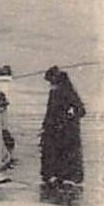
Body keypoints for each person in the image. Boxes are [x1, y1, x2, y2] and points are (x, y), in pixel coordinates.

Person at [40, 66, 86, 196]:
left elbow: (80, 110)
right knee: (57, 152)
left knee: (61, 152)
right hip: (58, 129)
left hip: (65, 130)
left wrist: (69, 116)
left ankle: (62, 177)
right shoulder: (58, 91)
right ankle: (58, 176)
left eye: (51, 82)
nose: (50, 86)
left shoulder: (64, 92)